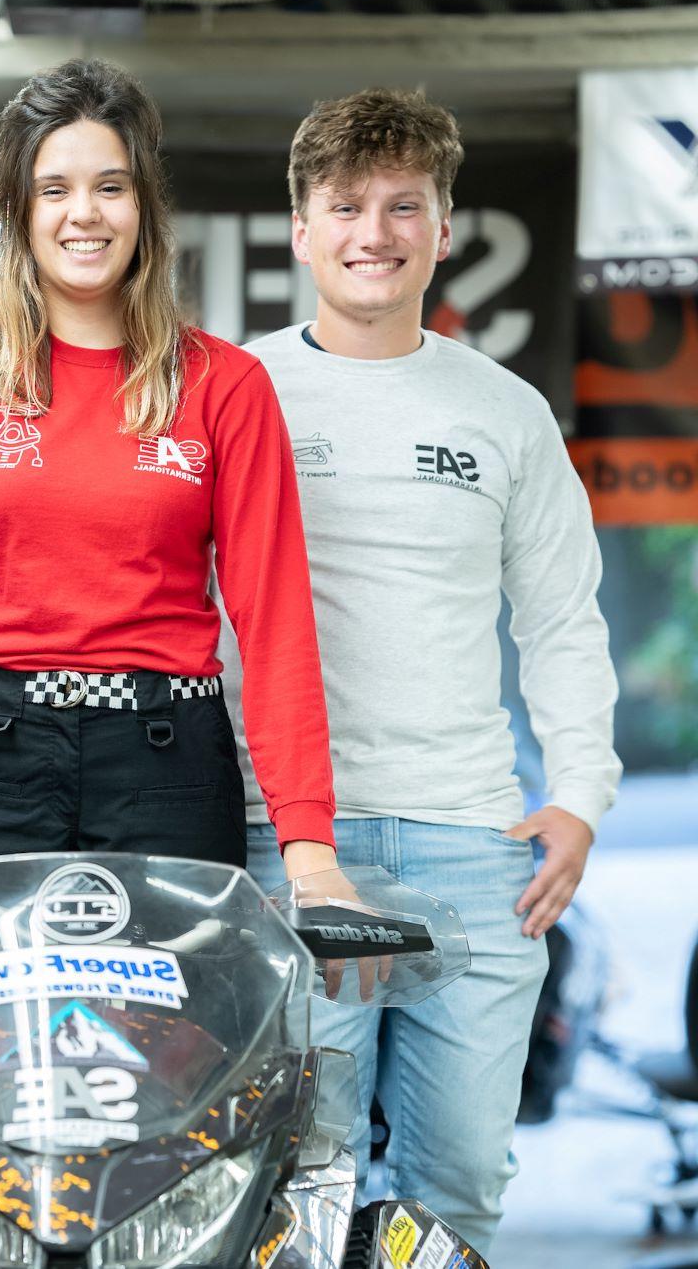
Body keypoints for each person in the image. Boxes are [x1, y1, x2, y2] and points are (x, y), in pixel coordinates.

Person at [221, 88, 621, 1254]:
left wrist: (581, 797)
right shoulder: (237, 393)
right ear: (301, 227)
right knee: (301, 1186)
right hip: (291, 841)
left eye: (405, 206)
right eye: (346, 205)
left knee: (456, 1193)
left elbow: (562, 620)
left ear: (444, 228)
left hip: (473, 848)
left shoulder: (505, 412)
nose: (374, 233)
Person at [0, 59, 334, 872]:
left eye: (111, 186)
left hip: (167, 768)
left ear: (144, 207)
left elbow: (278, 622)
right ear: (18, 209)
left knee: (159, 1008)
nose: (85, 215)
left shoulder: (226, 384)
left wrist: (309, 841)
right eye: (55, 188)